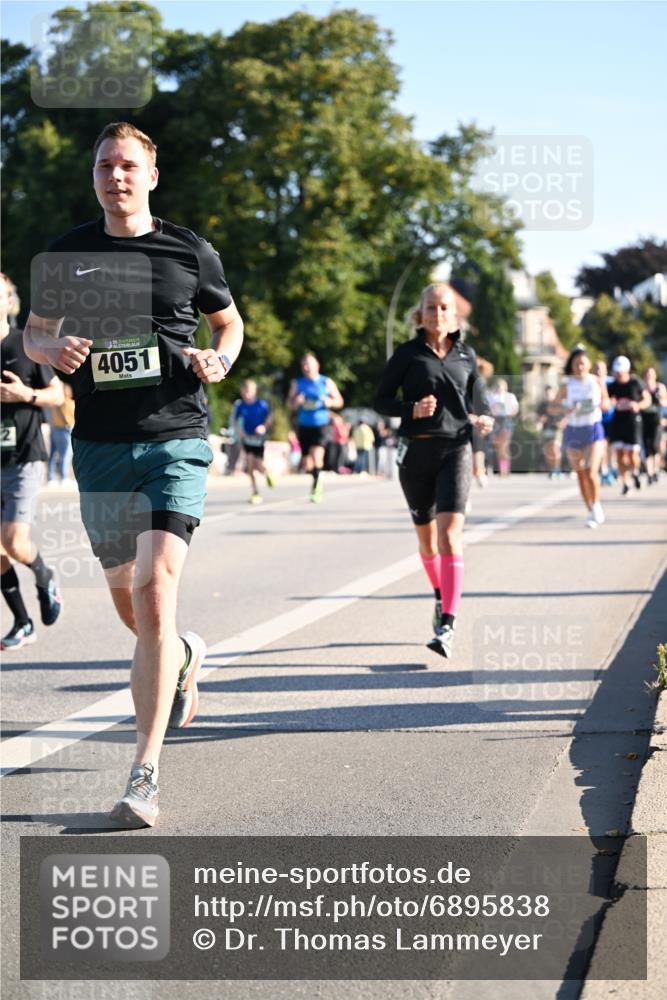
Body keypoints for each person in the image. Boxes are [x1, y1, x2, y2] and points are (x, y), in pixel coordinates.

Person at [23, 122, 244, 828]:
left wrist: (221, 360)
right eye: (104, 166)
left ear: (151, 175)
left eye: (127, 165)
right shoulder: (66, 253)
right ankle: (182, 654)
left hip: (175, 434)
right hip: (99, 447)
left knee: (153, 591)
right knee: (132, 606)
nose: (114, 175)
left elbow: (229, 324)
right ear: (94, 177)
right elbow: (33, 331)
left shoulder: (188, 249)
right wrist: (52, 348)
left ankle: (143, 775)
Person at [374, 282, 493, 658]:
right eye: (431, 308)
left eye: (444, 308)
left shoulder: (466, 355)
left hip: (456, 450)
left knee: (451, 536)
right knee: (427, 543)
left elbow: (481, 399)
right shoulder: (407, 355)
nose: (437, 314)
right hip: (415, 456)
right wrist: (411, 408)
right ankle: (442, 595)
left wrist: (485, 418)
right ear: (420, 314)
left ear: (454, 315)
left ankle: (448, 625)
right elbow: (380, 401)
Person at [1, 272, 64, 650]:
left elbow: (57, 395)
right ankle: (23, 621)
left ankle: (44, 576)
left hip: (24, 458)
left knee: (12, 540)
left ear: (9, 301)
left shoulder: (25, 345)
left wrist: (24, 394)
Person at [552, 346, 609, 528]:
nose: (580, 367)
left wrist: (602, 404)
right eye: (576, 364)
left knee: (592, 471)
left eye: (583, 363)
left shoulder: (597, 382)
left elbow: (606, 403)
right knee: (580, 473)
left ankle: (597, 504)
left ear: (589, 364)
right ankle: (590, 509)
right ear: (572, 365)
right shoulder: (567, 385)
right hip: (574, 429)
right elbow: (552, 407)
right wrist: (565, 409)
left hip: (593, 427)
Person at [287, 353, 343, 502]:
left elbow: (339, 401)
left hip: (321, 425)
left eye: (309, 364)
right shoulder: (297, 383)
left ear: (317, 365)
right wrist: (296, 401)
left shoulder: (326, 382)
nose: (306, 368)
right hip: (304, 425)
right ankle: (317, 477)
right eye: (303, 365)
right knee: (307, 462)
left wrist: (330, 402)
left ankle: (316, 488)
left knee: (317, 454)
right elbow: (289, 404)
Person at [607, 356, 650, 495]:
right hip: (618, 422)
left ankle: (635, 472)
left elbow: (647, 399)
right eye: (617, 371)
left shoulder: (635, 382)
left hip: (633, 422)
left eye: (621, 371)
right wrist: (611, 403)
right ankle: (625, 482)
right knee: (620, 454)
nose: (619, 374)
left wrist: (638, 405)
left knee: (632, 455)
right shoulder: (612, 385)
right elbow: (606, 401)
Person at [234, 378, 274, 503]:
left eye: (249, 391)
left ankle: (267, 473)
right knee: (250, 465)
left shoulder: (261, 404)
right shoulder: (241, 406)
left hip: (258, 438)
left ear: (254, 391)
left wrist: (264, 427)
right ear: (242, 392)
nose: (247, 394)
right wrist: (240, 431)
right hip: (247, 438)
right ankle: (255, 492)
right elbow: (236, 421)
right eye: (245, 392)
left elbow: (269, 417)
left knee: (259, 463)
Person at [591, 359, 617, 485]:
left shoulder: (611, 382)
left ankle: (611, 468)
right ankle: (605, 471)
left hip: (611, 419)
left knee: (611, 447)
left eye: (601, 368)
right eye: (596, 368)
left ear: (606, 370)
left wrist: (610, 402)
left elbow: (616, 398)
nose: (598, 371)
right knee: (602, 446)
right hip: (597, 420)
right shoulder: (590, 382)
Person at [487, 378, 519, 476]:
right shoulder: (490, 396)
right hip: (495, 421)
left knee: (504, 446)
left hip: (505, 421)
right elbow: (487, 409)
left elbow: (515, 410)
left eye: (501, 387)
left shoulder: (509, 396)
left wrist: (507, 411)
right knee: (497, 447)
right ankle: (500, 469)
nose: (499, 389)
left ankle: (504, 469)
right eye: (498, 386)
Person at [641, 367, 667, 484]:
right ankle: (649, 473)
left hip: (657, 421)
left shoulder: (660, 387)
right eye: (647, 374)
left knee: (655, 446)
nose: (649, 376)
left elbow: (665, 403)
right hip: (644, 420)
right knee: (646, 447)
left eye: (651, 374)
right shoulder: (641, 388)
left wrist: (660, 398)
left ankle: (656, 469)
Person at [47, 381, 75, 486]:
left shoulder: (54, 404)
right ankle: (64, 477)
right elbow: (72, 419)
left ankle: (51, 478)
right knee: (65, 455)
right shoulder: (69, 403)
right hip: (65, 430)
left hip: (54, 429)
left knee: (53, 455)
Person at [536, 385, 565, 478]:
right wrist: (541, 419)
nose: (548, 395)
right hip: (546, 430)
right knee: (548, 451)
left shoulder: (558, 404)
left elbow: (566, 416)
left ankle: (557, 469)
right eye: (546, 394)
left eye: (549, 393)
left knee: (555, 449)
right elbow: (538, 418)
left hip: (556, 430)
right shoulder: (542, 405)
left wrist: (562, 423)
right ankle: (552, 469)